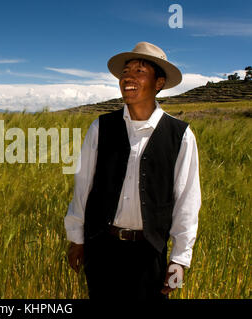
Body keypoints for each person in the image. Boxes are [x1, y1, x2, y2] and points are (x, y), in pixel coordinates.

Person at [64, 42, 201, 300]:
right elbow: (83, 186)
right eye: (126, 71)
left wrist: (180, 259)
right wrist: (77, 239)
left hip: (150, 254)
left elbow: (187, 200)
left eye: (139, 71)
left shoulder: (180, 135)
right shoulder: (101, 127)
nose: (128, 76)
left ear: (158, 83)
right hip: (102, 249)